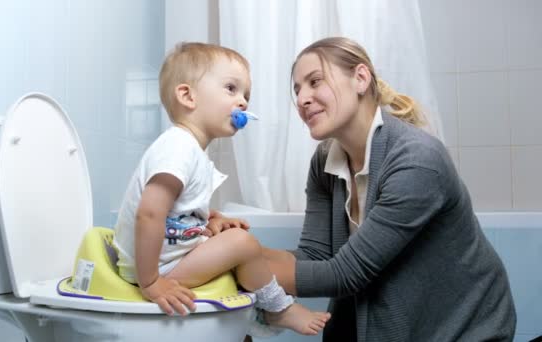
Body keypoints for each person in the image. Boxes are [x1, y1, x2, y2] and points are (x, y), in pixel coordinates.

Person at [260, 37, 517, 341]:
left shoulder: (417, 160)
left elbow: (345, 274)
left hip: (465, 329)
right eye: (297, 89)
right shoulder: (324, 161)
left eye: (315, 81)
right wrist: (229, 252)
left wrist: (242, 261)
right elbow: (315, 255)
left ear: (360, 78)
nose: (302, 98)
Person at [112, 42, 330, 335]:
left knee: (234, 242)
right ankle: (277, 310)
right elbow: (149, 214)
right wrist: (151, 282)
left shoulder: (190, 150)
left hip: (162, 260)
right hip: (152, 268)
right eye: (231, 89)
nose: (242, 102)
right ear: (188, 96)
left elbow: (176, 211)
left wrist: (211, 219)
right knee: (242, 245)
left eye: (246, 95)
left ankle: (249, 320)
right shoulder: (178, 147)